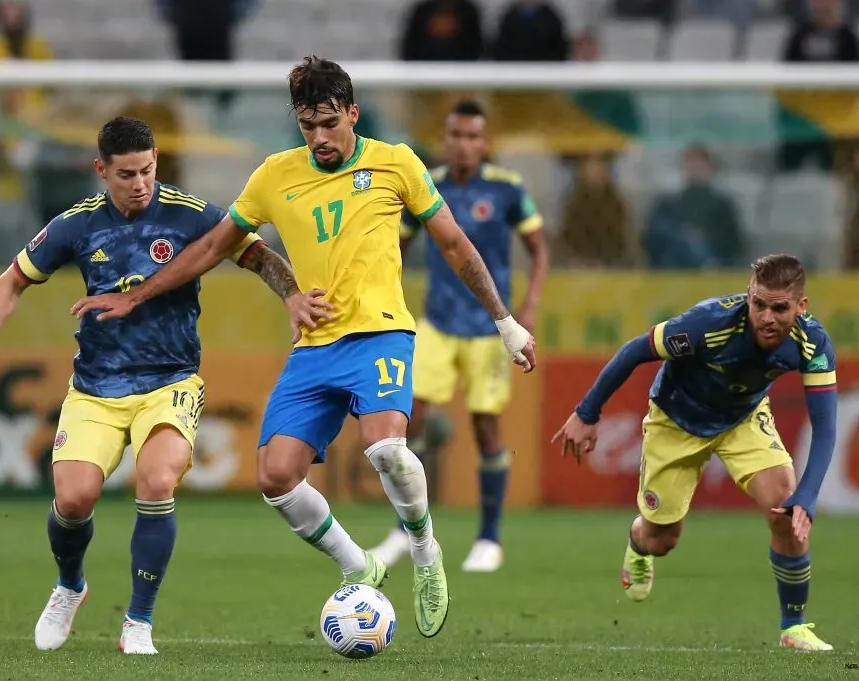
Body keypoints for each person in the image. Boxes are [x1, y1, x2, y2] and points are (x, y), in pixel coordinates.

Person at [70, 56, 537, 639]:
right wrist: (136, 297)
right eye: (307, 125)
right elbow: (216, 245)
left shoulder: (397, 164)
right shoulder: (275, 175)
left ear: (353, 114)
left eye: (328, 123)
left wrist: (504, 320)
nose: (318, 137)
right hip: (315, 348)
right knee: (275, 476)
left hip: (381, 334)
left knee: (386, 449)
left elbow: (456, 245)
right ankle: (357, 564)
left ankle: (424, 551)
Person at [0, 117, 318, 655]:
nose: (140, 183)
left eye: (148, 170)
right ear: (101, 170)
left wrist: (290, 293)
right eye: (126, 174)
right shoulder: (76, 225)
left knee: (156, 484)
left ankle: (138, 621)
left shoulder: (190, 214)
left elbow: (256, 253)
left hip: (169, 381)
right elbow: (13, 279)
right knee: (74, 499)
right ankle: (69, 585)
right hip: (96, 387)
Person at [552, 254, 836, 651]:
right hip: (676, 421)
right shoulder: (708, 324)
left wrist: (806, 496)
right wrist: (587, 412)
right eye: (758, 304)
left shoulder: (813, 342)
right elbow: (635, 351)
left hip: (742, 418)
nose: (766, 317)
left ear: (801, 307)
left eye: (779, 308)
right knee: (663, 540)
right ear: (749, 296)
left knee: (785, 512)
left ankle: (794, 627)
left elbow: (825, 427)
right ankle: (638, 539)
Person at [369, 100, 549, 573]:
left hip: (490, 329)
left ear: (486, 142)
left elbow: (538, 247)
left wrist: (527, 306)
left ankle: (489, 538)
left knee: (485, 426)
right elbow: (396, 247)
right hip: (436, 323)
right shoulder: (428, 184)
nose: (464, 144)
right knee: (410, 423)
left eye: (473, 136)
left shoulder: (507, 189)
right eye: (456, 135)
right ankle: (403, 531)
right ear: (445, 139)